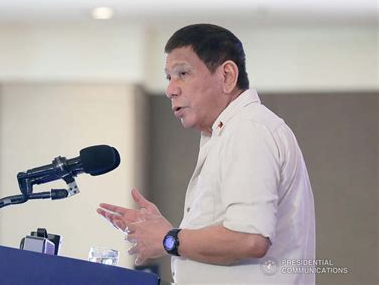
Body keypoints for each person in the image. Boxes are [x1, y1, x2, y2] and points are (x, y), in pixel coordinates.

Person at [97, 24, 315, 284]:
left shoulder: (248, 129)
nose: (170, 89)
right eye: (169, 77)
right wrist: (169, 234)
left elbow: (250, 239)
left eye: (183, 73)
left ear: (227, 76)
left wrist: (169, 238)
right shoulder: (228, 132)